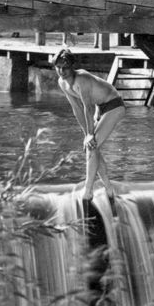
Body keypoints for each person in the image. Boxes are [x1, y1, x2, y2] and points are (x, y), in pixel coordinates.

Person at [53, 49, 125, 200]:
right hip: (100, 108)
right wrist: (86, 134)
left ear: (72, 66)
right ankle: (109, 188)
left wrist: (91, 134)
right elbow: (76, 108)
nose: (61, 71)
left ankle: (88, 190)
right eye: (58, 67)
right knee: (91, 146)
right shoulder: (62, 83)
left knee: (92, 146)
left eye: (65, 67)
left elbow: (88, 107)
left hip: (114, 106)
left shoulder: (81, 80)